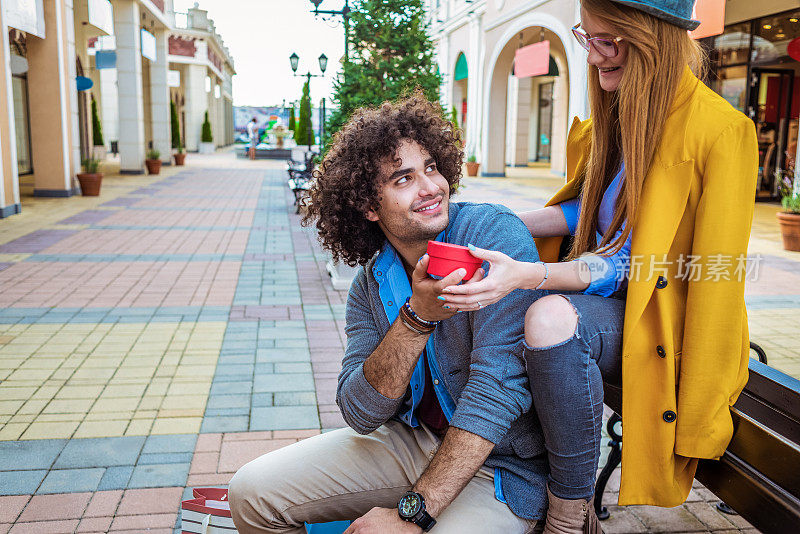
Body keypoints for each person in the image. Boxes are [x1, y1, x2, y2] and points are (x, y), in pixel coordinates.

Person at [437, 0, 758, 531]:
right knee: (517, 304)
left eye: (611, 40)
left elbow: (692, 274)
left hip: (660, 325)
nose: (595, 53)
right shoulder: (620, 112)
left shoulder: (722, 132)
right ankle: (497, 460)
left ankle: (568, 509)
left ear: (654, 37)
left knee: (547, 315)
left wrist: (701, 417)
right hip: (609, 310)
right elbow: (588, 209)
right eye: (588, 36)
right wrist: (492, 223)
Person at [227, 93, 552, 533]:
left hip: (500, 466)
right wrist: (416, 318)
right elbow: (361, 413)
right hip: (414, 443)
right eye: (403, 178)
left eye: (431, 168)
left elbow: (497, 391)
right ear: (368, 206)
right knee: (252, 493)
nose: (431, 187)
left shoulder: (491, 235)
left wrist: (411, 516)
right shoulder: (371, 283)